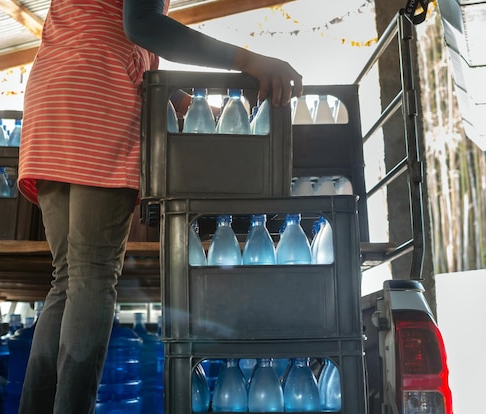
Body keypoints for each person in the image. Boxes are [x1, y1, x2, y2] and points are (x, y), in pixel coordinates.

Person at [16, 0, 303, 413]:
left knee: (67, 280)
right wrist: (247, 60)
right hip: (99, 99)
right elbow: (144, 25)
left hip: (53, 96)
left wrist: (181, 100)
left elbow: (106, 28)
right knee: (92, 278)